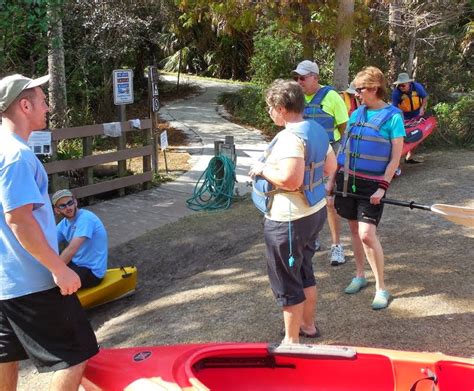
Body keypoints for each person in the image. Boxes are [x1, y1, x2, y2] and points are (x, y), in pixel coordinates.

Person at [0, 74, 98, 390]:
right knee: (77, 352)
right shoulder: (16, 156)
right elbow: (19, 218)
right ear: (24, 105)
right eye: (43, 100)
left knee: (5, 357)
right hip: (32, 281)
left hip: (5, 283)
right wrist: (58, 268)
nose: (48, 107)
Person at [250, 79, 337, 343]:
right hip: (314, 212)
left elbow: (291, 180)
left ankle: (291, 340)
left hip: (288, 220)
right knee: (303, 271)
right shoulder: (316, 129)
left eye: (270, 107)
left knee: (287, 279)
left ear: (282, 108)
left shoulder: (290, 138)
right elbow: (330, 167)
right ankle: (308, 326)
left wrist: (262, 169)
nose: (269, 112)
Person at [331, 66, 405, 310]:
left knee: (366, 234)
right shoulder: (356, 114)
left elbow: (395, 157)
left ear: (374, 89)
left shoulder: (393, 117)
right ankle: (360, 276)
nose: (356, 95)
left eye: (360, 90)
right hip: (347, 180)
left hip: (372, 185)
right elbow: (344, 148)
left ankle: (381, 287)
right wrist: (332, 180)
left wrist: (382, 187)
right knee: (354, 231)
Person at [292, 60, 349, 266]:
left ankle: (336, 246)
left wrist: (339, 156)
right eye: (297, 78)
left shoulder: (332, 96)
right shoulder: (296, 97)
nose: (299, 81)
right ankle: (312, 239)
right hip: (306, 155)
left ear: (315, 77)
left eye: (303, 78)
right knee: (307, 198)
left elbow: (344, 128)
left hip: (329, 153)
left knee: (330, 201)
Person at [53, 189, 108, 289]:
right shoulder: (63, 225)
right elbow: (49, 242)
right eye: (63, 206)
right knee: (49, 261)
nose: (68, 207)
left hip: (92, 272)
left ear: (75, 202)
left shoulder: (86, 218)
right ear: (57, 210)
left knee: (53, 284)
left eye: (70, 203)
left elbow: (72, 249)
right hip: (77, 264)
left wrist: (55, 270)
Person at [391, 72, 428, 164]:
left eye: (403, 85)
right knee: (404, 136)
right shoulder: (396, 93)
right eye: (399, 86)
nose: (401, 87)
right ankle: (397, 158)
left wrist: (422, 108)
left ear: (408, 83)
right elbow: (394, 108)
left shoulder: (417, 87)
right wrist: (400, 120)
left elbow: (425, 97)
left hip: (417, 114)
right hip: (404, 115)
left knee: (417, 135)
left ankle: (409, 157)